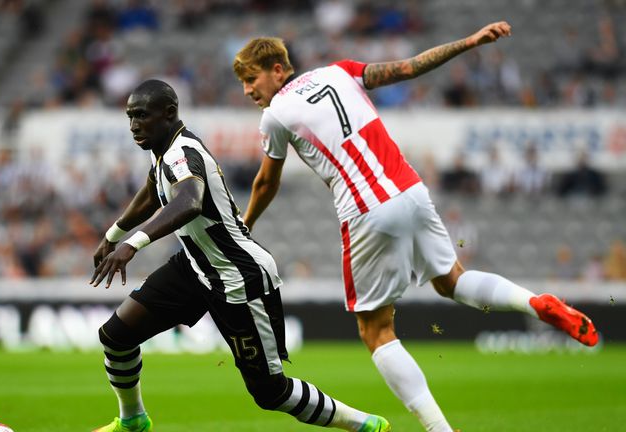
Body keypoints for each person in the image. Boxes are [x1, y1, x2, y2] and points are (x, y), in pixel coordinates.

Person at [232, 22, 599, 432]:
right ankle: (533, 303)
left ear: (278, 70)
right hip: (410, 190)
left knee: (375, 329)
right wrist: (470, 41)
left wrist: (243, 225)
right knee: (452, 281)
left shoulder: (276, 115)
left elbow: (266, 182)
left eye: (251, 78)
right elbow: (408, 68)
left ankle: (439, 430)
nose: (248, 90)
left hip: (364, 208)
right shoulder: (340, 71)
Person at [88, 79, 390, 432]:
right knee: (116, 336)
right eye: (130, 116)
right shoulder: (165, 154)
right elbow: (153, 193)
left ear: (169, 114)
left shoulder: (181, 154)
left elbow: (189, 201)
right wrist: (113, 236)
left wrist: (132, 244)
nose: (134, 124)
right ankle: (133, 421)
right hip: (195, 267)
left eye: (142, 115)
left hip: (238, 276)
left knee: (271, 392)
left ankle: (365, 425)